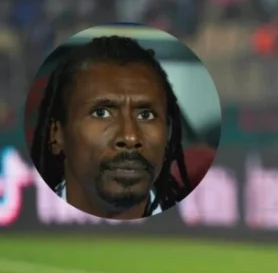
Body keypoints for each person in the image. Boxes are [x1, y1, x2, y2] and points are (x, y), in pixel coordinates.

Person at [30, 35, 191, 220]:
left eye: (145, 115)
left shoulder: (195, 228)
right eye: (101, 113)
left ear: (168, 134)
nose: (130, 137)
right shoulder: (25, 225)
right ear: (56, 134)